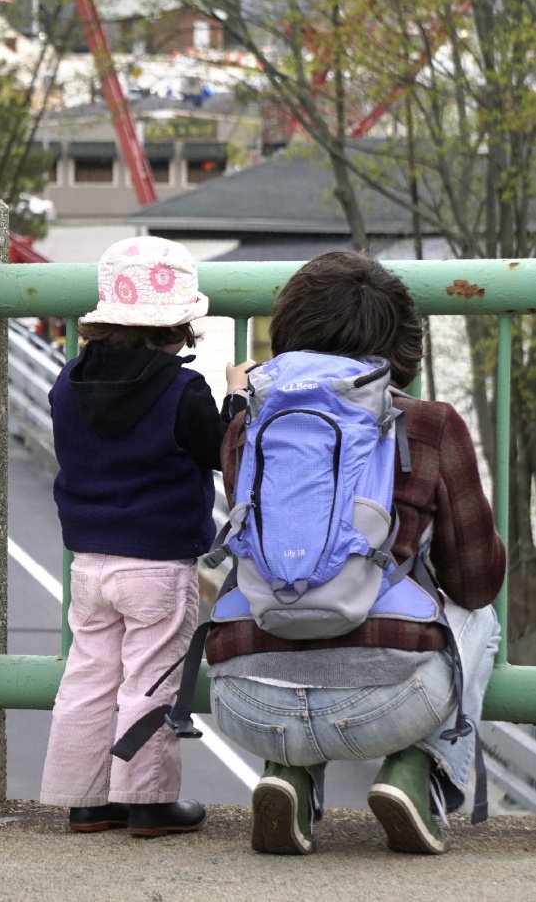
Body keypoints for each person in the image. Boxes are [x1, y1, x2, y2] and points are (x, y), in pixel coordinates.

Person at [207, 250, 505, 856]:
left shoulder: (248, 427)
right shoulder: (429, 424)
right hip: (387, 706)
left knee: (282, 594)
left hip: (243, 699)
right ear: (398, 342)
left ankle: (285, 772)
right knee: (478, 618)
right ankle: (415, 774)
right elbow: (475, 583)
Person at [40, 235, 248, 837]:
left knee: (89, 676)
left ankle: (83, 799)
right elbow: (218, 450)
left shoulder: (67, 381)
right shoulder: (182, 390)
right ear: (181, 326)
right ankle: (148, 800)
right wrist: (235, 397)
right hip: (159, 562)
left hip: (89, 561)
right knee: (150, 679)